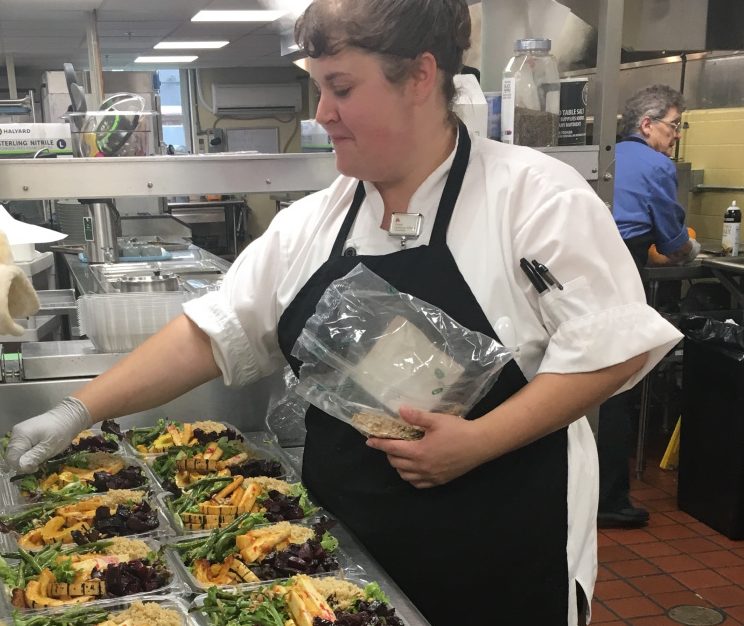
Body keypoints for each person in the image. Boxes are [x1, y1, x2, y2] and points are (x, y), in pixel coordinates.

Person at [6, 2, 682, 624]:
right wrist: (79, 411)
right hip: (342, 564)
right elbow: (215, 332)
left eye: (342, 87)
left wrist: (481, 439)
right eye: (320, 88)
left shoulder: (533, 199)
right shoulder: (318, 221)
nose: (322, 111)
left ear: (420, 76)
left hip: (502, 554)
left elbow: (613, 346)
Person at [597, 84, 698, 529]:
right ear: (647, 124)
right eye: (673, 125)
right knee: (618, 384)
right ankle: (610, 499)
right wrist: (691, 250)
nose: (675, 135)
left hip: (584, 271)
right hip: (622, 271)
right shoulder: (657, 164)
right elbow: (674, 244)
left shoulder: (607, 154)